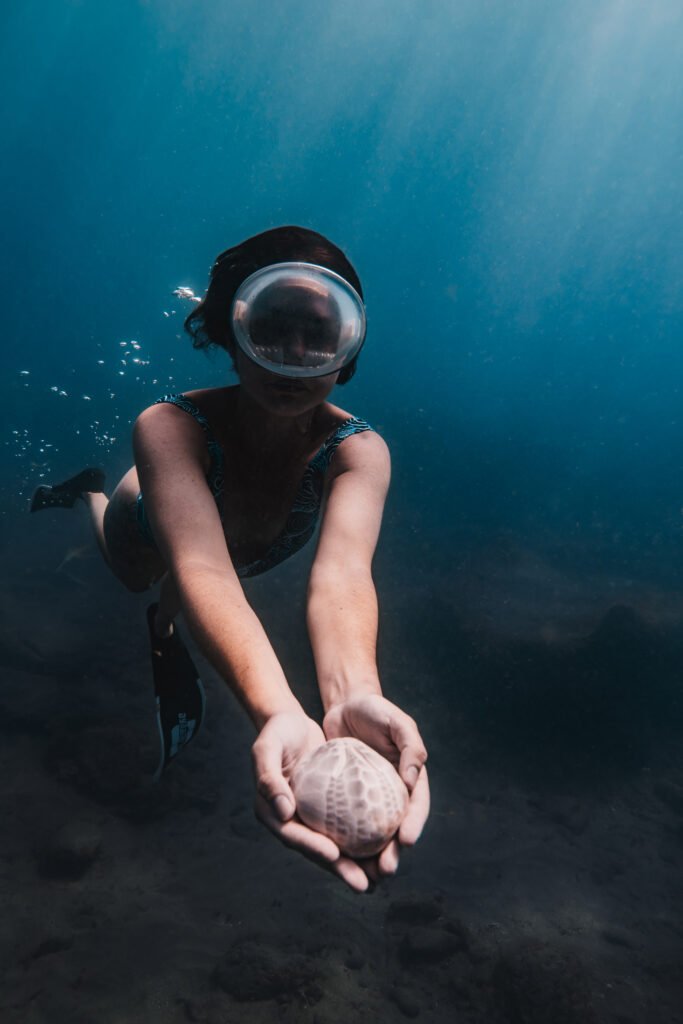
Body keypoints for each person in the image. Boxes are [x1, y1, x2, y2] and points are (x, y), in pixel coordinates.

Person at [31, 226, 429, 892]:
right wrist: (277, 710)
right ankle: (91, 493)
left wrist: (354, 693)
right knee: (141, 578)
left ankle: (167, 618)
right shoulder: (169, 425)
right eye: (272, 329)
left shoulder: (359, 452)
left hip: (235, 556)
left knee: (188, 589)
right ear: (232, 334)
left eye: (319, 333)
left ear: (348, 346)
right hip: (153, 529)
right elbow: (202, 567)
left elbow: (341, 581)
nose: (293, 355)